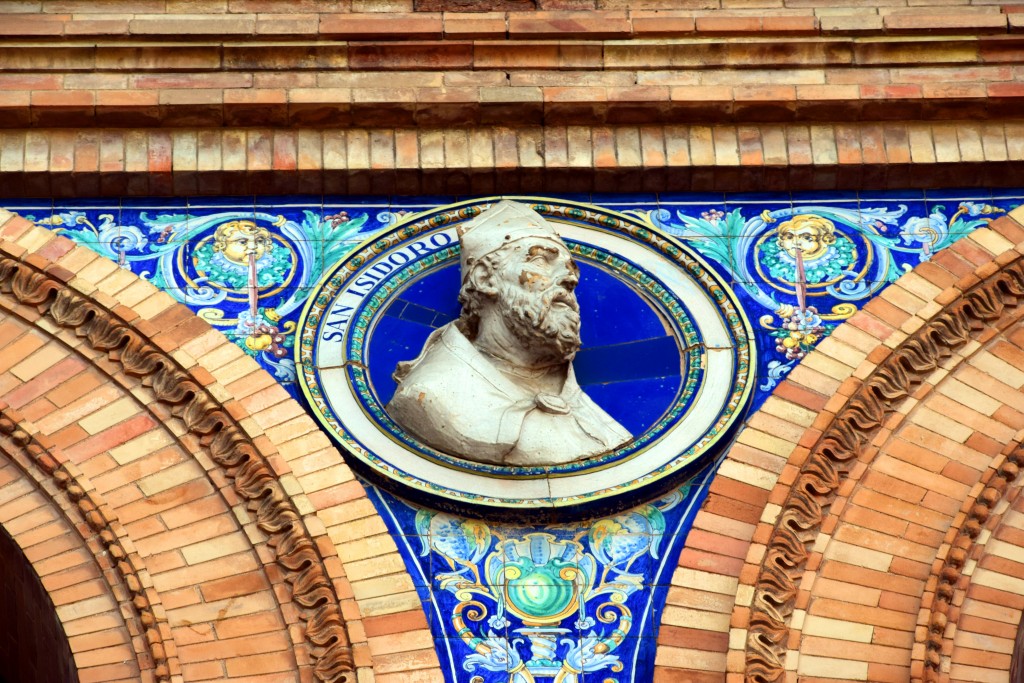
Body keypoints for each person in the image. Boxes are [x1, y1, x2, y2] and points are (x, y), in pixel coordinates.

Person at [386, 200, 631, 467]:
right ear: (485, 278)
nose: (570, 278)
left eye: (571, 269)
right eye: (541, 260)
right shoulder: (431, 395)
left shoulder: (587, 409)